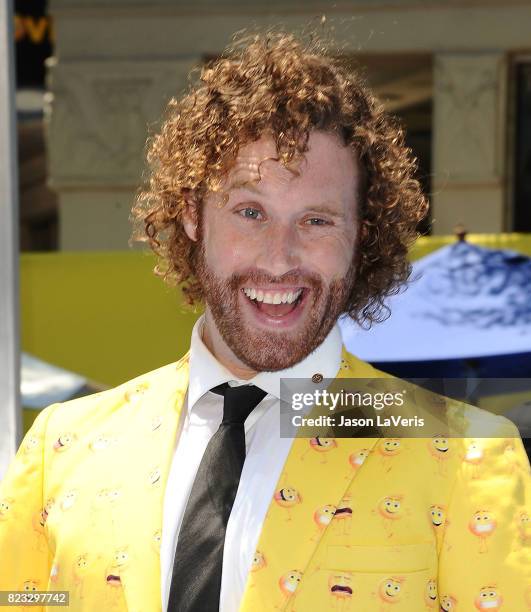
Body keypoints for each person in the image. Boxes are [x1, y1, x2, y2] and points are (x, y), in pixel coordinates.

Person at [1, 30, 530, 612]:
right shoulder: (64, 444)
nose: (279, 258)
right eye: (250, 212)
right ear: (193, 216)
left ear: (362, 237)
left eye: (318, 221)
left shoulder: (465, 452)